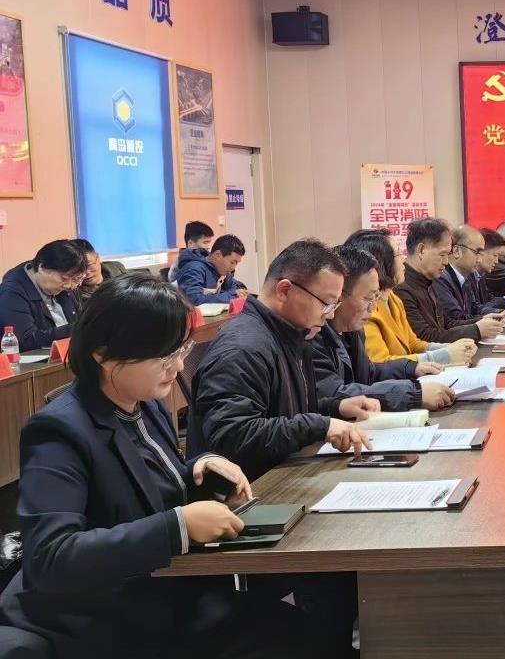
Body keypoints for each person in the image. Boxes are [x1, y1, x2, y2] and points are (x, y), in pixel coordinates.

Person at [0, 273, 345, 658]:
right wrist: (178, 525)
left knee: (318, 627)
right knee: (304, 638)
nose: (177, 367)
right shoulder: (59, 430)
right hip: (103, 621)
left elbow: (141, 487)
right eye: (164, 357)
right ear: (102, 352)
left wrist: (201, 469)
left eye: (181, 351)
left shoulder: (144, 404)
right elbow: (50, 556)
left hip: (169, 595)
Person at [188, 239, 377, 481]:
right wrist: (319, 426)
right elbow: (232, 435)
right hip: (249, 489)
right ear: (284, 290)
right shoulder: (243, 347)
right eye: (326, 303)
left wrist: (334, 408)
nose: (329, 315)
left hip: (284, 472)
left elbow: (283, 410)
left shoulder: (290, 334)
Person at [311, 244, 457, 413]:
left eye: (376, 297)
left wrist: (411, 368)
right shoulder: (313, 334)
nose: (373, 307)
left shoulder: (353, 330)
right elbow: (336, 394)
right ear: (339, 296)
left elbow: (370, 374)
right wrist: (414, 395)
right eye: (368, 298)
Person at [344, 229, 476, 366]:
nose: (403, 259)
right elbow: (380, 363)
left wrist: (449, 348)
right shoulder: (365, 310)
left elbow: (413, 343)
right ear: (380, 263)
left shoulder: (393, 299)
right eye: (398, 254)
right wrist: (444, 356)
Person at [396, 218, 504, 343]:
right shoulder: (402, 288)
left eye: (448, 255)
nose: (446, 261)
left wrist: (483, 321)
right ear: (421, 250)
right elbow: (424, 337)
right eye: (442, 255)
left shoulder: (428, 282)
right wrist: (477, 330)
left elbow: (447, 323)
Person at [0, 239, 87, 351]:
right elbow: (26, 340)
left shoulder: (66, 286)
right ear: (41, 267)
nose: (69, 285)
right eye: (64, 278)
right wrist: (76, 329)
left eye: (75, 280)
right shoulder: (12, 293)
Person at [434, 225, 505, 325]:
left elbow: (474, 309)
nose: (479, 260)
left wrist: (501, 314)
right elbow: (455, 319)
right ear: (457, 251)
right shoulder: (441, 278)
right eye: (477, 252)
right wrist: (495, 317)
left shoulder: (465, 277)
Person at [174, 234, 249, 305]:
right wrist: (232, 295)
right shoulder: (194, 269)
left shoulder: (223, 271)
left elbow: (236, 287)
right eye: (232, 262)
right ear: (217, 255)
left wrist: (240, 292)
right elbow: (193, 300)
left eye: (236, 263)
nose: (233, 267)